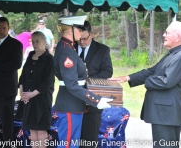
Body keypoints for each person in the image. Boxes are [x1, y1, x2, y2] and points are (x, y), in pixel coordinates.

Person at [109, 21, 181, 148]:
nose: (164, 35)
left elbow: (166, 81)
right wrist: (128, 77)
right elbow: (152, 71)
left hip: (167, 115)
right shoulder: (172, 55)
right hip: (164, 114)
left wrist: (147, 81)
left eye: (167, 33)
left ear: (178, 37)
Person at [53, 15, 113, 148]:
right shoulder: (66, 51)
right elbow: (72, 85)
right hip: (70, 104)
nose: (81, 34)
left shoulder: (68, 47)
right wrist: (96, 99)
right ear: (70, 30)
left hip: (74, 104)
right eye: (79, 30)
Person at [74, 21, 113, 148]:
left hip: (93, 99)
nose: (82, 42)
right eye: (79, 39)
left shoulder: (102, 50)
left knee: (89, 140)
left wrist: (87, 80)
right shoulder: (70, 48)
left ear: (92, 34)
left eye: (85, 38)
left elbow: (108, 71)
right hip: (72, 99)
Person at [0, 17, 22, 147]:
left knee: (7, 125)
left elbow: (16, 64)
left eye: (4, 28)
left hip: (5, 92)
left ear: (8, 28)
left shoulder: (15, 44)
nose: (1, 31)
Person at [19, 31, 54, 148]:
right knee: (32, 130)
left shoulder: (49, 58)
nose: (35, 44)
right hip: (28, 99)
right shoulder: (30, 55)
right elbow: (23, 76)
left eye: (37, 41)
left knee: (41, 131)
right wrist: (22, 92)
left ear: (44, 42)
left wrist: (32, 94)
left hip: (41, 99)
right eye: (33, 41)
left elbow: (48, 81)